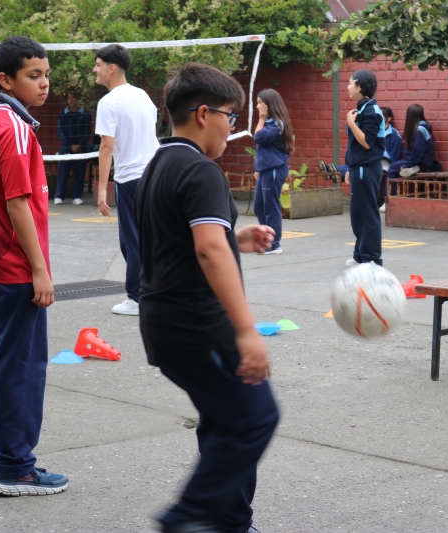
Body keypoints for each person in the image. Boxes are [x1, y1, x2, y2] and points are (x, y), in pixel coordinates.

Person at [135, 62, 278, 533]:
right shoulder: (201, 171)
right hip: (199, 327)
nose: (232, 128)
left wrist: (237, 238)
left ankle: (231, 520)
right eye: (229, 117)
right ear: (202, 114)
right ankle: (189, 517)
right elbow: (206, 248)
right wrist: (246, 331)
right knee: (256, 417)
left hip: (164, 324)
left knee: (224, 421)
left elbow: (178, 240)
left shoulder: (158, 164)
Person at [0, 36, 68, 496]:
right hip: (13, 269)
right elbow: (18, 204)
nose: (44, 83)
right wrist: (39, 270)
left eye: (45, 74)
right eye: (33, 76)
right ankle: (15, 466)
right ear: (6, 79)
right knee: (20, 366)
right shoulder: (15, 128)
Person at [94, 44, 159, 316]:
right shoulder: (143, 95)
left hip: (131, 179)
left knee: (133, 240)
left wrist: (100, 190)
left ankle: (136, 297)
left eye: (98, 65)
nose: (94, 70)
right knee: (141, 239)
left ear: (112, 68)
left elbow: (106, 147)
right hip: (154, 174)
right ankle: (152, 290)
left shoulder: (108, 102)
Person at [344, 69, 385, 267]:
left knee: (367, 213)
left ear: (360, 86)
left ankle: (372, 258)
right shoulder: (363, 109)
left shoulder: (371, 112)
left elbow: (367, 143)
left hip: (367, 168)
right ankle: (360, 253)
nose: (348, 87)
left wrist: (351, 123)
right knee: (358, 213)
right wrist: (349, 169)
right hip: (358, 168)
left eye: (350, 83)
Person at [252, 88, 293, 255]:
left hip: (275, 170)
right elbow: (262, 147)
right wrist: (258, 169)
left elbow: (258, 138)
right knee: (259, 206)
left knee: (270, 206)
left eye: (260, 103)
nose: (257, 107)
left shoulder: (276, 124)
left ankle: (274, 244)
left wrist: (261, 118)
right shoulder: (269, 123)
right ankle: (266, 239)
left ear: (269, 104)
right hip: (266, 170)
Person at [55, 89, 92, 205]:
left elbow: (87, 131)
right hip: (66, 148)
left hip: (81, 149)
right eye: (69, 97)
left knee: (80, 173)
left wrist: (80, 145)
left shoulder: (85, 114)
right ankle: (59, 196)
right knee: (63, 172)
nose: (71, 100)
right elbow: (60, 131)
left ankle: (77, 196)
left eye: (73, 97)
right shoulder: (63, 114)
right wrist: (69, 145)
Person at [388, 104, 441, 179]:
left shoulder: (419, 129)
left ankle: (390, 191)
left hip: (420, 161)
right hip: (421, 160)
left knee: (392, 168)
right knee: (395, 165)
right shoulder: (422, 127)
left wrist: (407, 164)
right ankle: (413, 168)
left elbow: (418, 150)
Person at [378, 106, 402, 213]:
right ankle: (335, 170)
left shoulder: (394, 134)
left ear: (388, 118)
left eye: (381, 116)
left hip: (388, 162)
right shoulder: (375, 132)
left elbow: (396, 155)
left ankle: (386, 200)